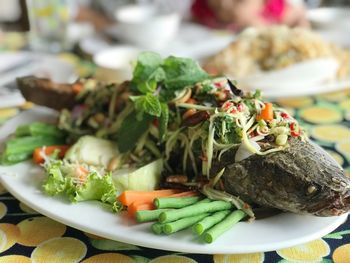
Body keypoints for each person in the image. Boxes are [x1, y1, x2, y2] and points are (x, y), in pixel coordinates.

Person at [191, 0, 309, 30]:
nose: (224, 4)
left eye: (238, 1)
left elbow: (299, 16)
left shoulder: (274, 8)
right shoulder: (203, 8)